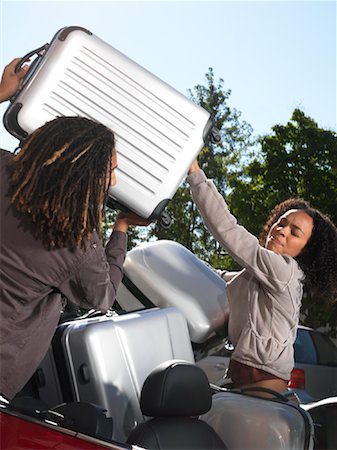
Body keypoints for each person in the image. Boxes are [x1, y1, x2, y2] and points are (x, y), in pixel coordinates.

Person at [0, 58, 151, 400]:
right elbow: (103, 295)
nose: (113, 180)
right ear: (83, 174)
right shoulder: (76, 241)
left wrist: (1, 92)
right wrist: (122, 228)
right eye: (108, 170)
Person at [187, 159, 337, 395]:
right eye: (281, 222)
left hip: (263, 383)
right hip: (245, 378)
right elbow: (218, 279)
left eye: (294, 232)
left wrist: (195, 174)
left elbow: (228, 230)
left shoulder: (285, 271)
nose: (281, 230)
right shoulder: (260, 277)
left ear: (305, 252)